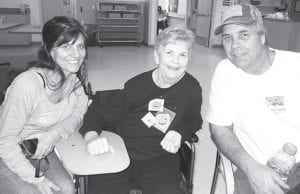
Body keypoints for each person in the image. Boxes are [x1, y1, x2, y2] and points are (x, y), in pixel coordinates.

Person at [80, 25, 202, 194]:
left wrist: (180, 132)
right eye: (169, 53)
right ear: (156, 56)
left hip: (160, 157)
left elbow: (194, 119)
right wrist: (91, 137)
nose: (176, 61)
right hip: (123, 150)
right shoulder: (138, 86)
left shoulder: (192, 88)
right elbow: (98, 111)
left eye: (183, 55)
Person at [206, 4, 300, 194]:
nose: (234, 46)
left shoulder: (294, 67)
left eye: (244, 35)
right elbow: (218, 127)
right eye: (227, 38)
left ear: (262, 36)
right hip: (256, 166)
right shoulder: (225, 72)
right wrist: (250, 167)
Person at [0, 16, 89, 194]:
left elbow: (79, 113)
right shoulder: (27, 85)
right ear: (49, 49)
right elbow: (5, 141)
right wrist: (36, 180)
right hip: (6, 152)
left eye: (80, 46)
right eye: (66, 46)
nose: (77, 54)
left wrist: (52, 135)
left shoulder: (74, 81)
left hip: (38, 149)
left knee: (66, 189)